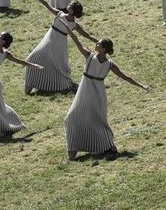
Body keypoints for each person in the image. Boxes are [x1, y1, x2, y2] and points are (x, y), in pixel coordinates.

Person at [63, 23, 151, 161]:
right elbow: (76, 40)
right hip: (84, 91)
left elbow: (125, 77)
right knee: (71, 118)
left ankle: (106, 145)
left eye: (98, 43)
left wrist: (141, 85)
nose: (96, 43)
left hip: (97, 94)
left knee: (97, 120)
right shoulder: (89, 56)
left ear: (103, 49)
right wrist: (66, 27)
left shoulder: (110, 64)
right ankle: (74, 146)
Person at [23, 0, 98, 95]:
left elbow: (86, 35)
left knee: (57, 65)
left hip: (59, 44)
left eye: (70, 5)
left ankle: (47, 84)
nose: (68, 5)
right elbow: (46, 4)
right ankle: (30, 85)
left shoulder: (74, 25)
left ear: (72, 11)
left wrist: (98, 41)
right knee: (33, 58)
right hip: (49, 40)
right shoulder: (60, 14)